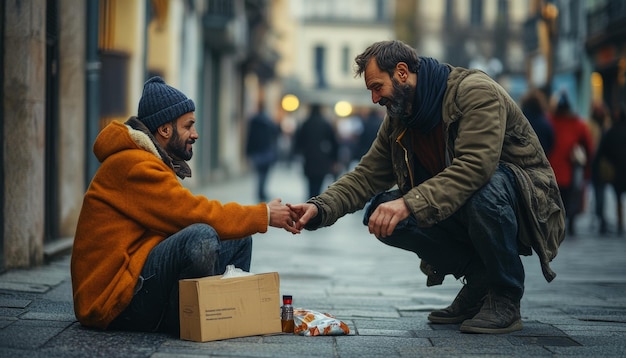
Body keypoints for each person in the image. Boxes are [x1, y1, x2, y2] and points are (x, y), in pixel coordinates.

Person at [289, 40, 565, 334]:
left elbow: (475, 167)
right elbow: (366, 175)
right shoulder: (400, 117)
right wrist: (319, 208)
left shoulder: (474, 92)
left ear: (402, 72)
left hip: (523, 202)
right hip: (463, 205)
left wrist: (409, 203)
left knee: (485, 187)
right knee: (380, 214)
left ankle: (505, 295)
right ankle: (480, 281)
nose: (373, 98)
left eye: (377, 86)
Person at [71, 77, 299, 336]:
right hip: (115, 303)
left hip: (135, 279)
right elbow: (192, 212)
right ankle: (191, 318)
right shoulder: (134, 165)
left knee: (239, 237)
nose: (195, 134)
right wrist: (265, 214)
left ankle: (222, 313)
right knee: (200, 236)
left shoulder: (147, 160)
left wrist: (257, 218)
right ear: (165, 130)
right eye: (188, 126)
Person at [547, 91, 594, 236]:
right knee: (570, 197)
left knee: (554, 199)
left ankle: (556, 225)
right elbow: (588, 146)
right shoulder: (578, 124)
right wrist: (587, 167)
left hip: (551, 169)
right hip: (569, 169)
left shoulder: (549, 120)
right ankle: (570, 223)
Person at [293, 103, 339, 199]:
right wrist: (334, 159)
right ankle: (315, 202)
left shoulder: (306, 123)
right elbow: (334, 142)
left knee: (310, 183)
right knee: (319, 183)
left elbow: (298, 141)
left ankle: (310, 200)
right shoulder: (325, 124)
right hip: (322, 159)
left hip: (308, 158)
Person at [594, 103, 626, 235]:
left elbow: (602, 152)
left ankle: (619, 222)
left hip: (616, 170)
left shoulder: (610, 132)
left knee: (618, 197)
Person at [245, 102, 281, 201]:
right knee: (264, 174)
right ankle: (262, 191)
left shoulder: (254, 121)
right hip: (266, 151)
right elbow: (275, 134)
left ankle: (260, 191)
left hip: (257, 151)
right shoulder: (269, 122)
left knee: (259, 173)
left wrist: (248, 151)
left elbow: (250, 137)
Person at [588, 101, 612, 234]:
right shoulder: (599, 126)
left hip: (600, 163)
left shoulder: (602, 126)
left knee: (599, 191)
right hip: (597, 162)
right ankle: (600, 216)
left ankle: (600, 216)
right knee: (599, 191)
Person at [520, 88, 554, 155]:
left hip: (521, 159)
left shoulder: (520, 121)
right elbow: (551, 142)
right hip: (540, 158)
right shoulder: (544, 123)